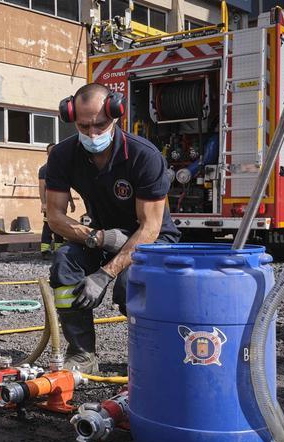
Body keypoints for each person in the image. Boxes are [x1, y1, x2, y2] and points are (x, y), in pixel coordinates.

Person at [45, 83, 180, 373]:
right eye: (84, 126)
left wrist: (104, 274)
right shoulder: (63, 155)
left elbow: (151, 228)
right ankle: (82, 355)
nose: (93, 134)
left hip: (151, 241)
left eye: (100, 125)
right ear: (72, 119)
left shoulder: (144, 156)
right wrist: (98, 238)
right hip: (103, 235)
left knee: (129, 281)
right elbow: (55, 216)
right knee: (64, 263)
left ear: (116, 115)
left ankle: (151, 356)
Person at [38, 143, 74, 257]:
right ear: (47, 153)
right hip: (49, 203)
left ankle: (59, 248)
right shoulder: (44, 169)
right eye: (51, 151)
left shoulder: (61, 168)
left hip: (61, 203)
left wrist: (71, 202)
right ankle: (45, 250)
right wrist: (43, 203)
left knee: (60, 224)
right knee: (48, 226)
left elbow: (66, 188)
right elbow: (41, 186)